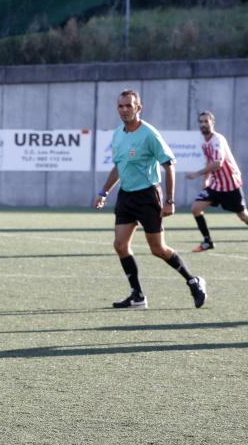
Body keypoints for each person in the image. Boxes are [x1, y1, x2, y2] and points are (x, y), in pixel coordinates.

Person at [93, 90, 206, 309]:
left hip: (148, 196)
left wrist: (170, 201)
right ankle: (137, 295)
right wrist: (104, 192)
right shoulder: (118, 134)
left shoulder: (150, 134)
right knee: (120, 244)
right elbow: (119, 166)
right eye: (121, 106)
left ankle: (193, 281)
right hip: (126, 196)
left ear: (138, 107)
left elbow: (169, 165)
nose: (125, 110)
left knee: (158, 249)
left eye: (129, 106)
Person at [185, 110, 247, 251]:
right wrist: (206, 180)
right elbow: (209, 162)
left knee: (243, 216)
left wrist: (198, 174)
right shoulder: (204, 142)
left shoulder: (217, 140)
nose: (203, 124)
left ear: (212, 123)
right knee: (196, 208)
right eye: (201, 122)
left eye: (206, 121)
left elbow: (218, 163)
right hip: (216, 184)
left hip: (230, 184)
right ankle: (208, 241)